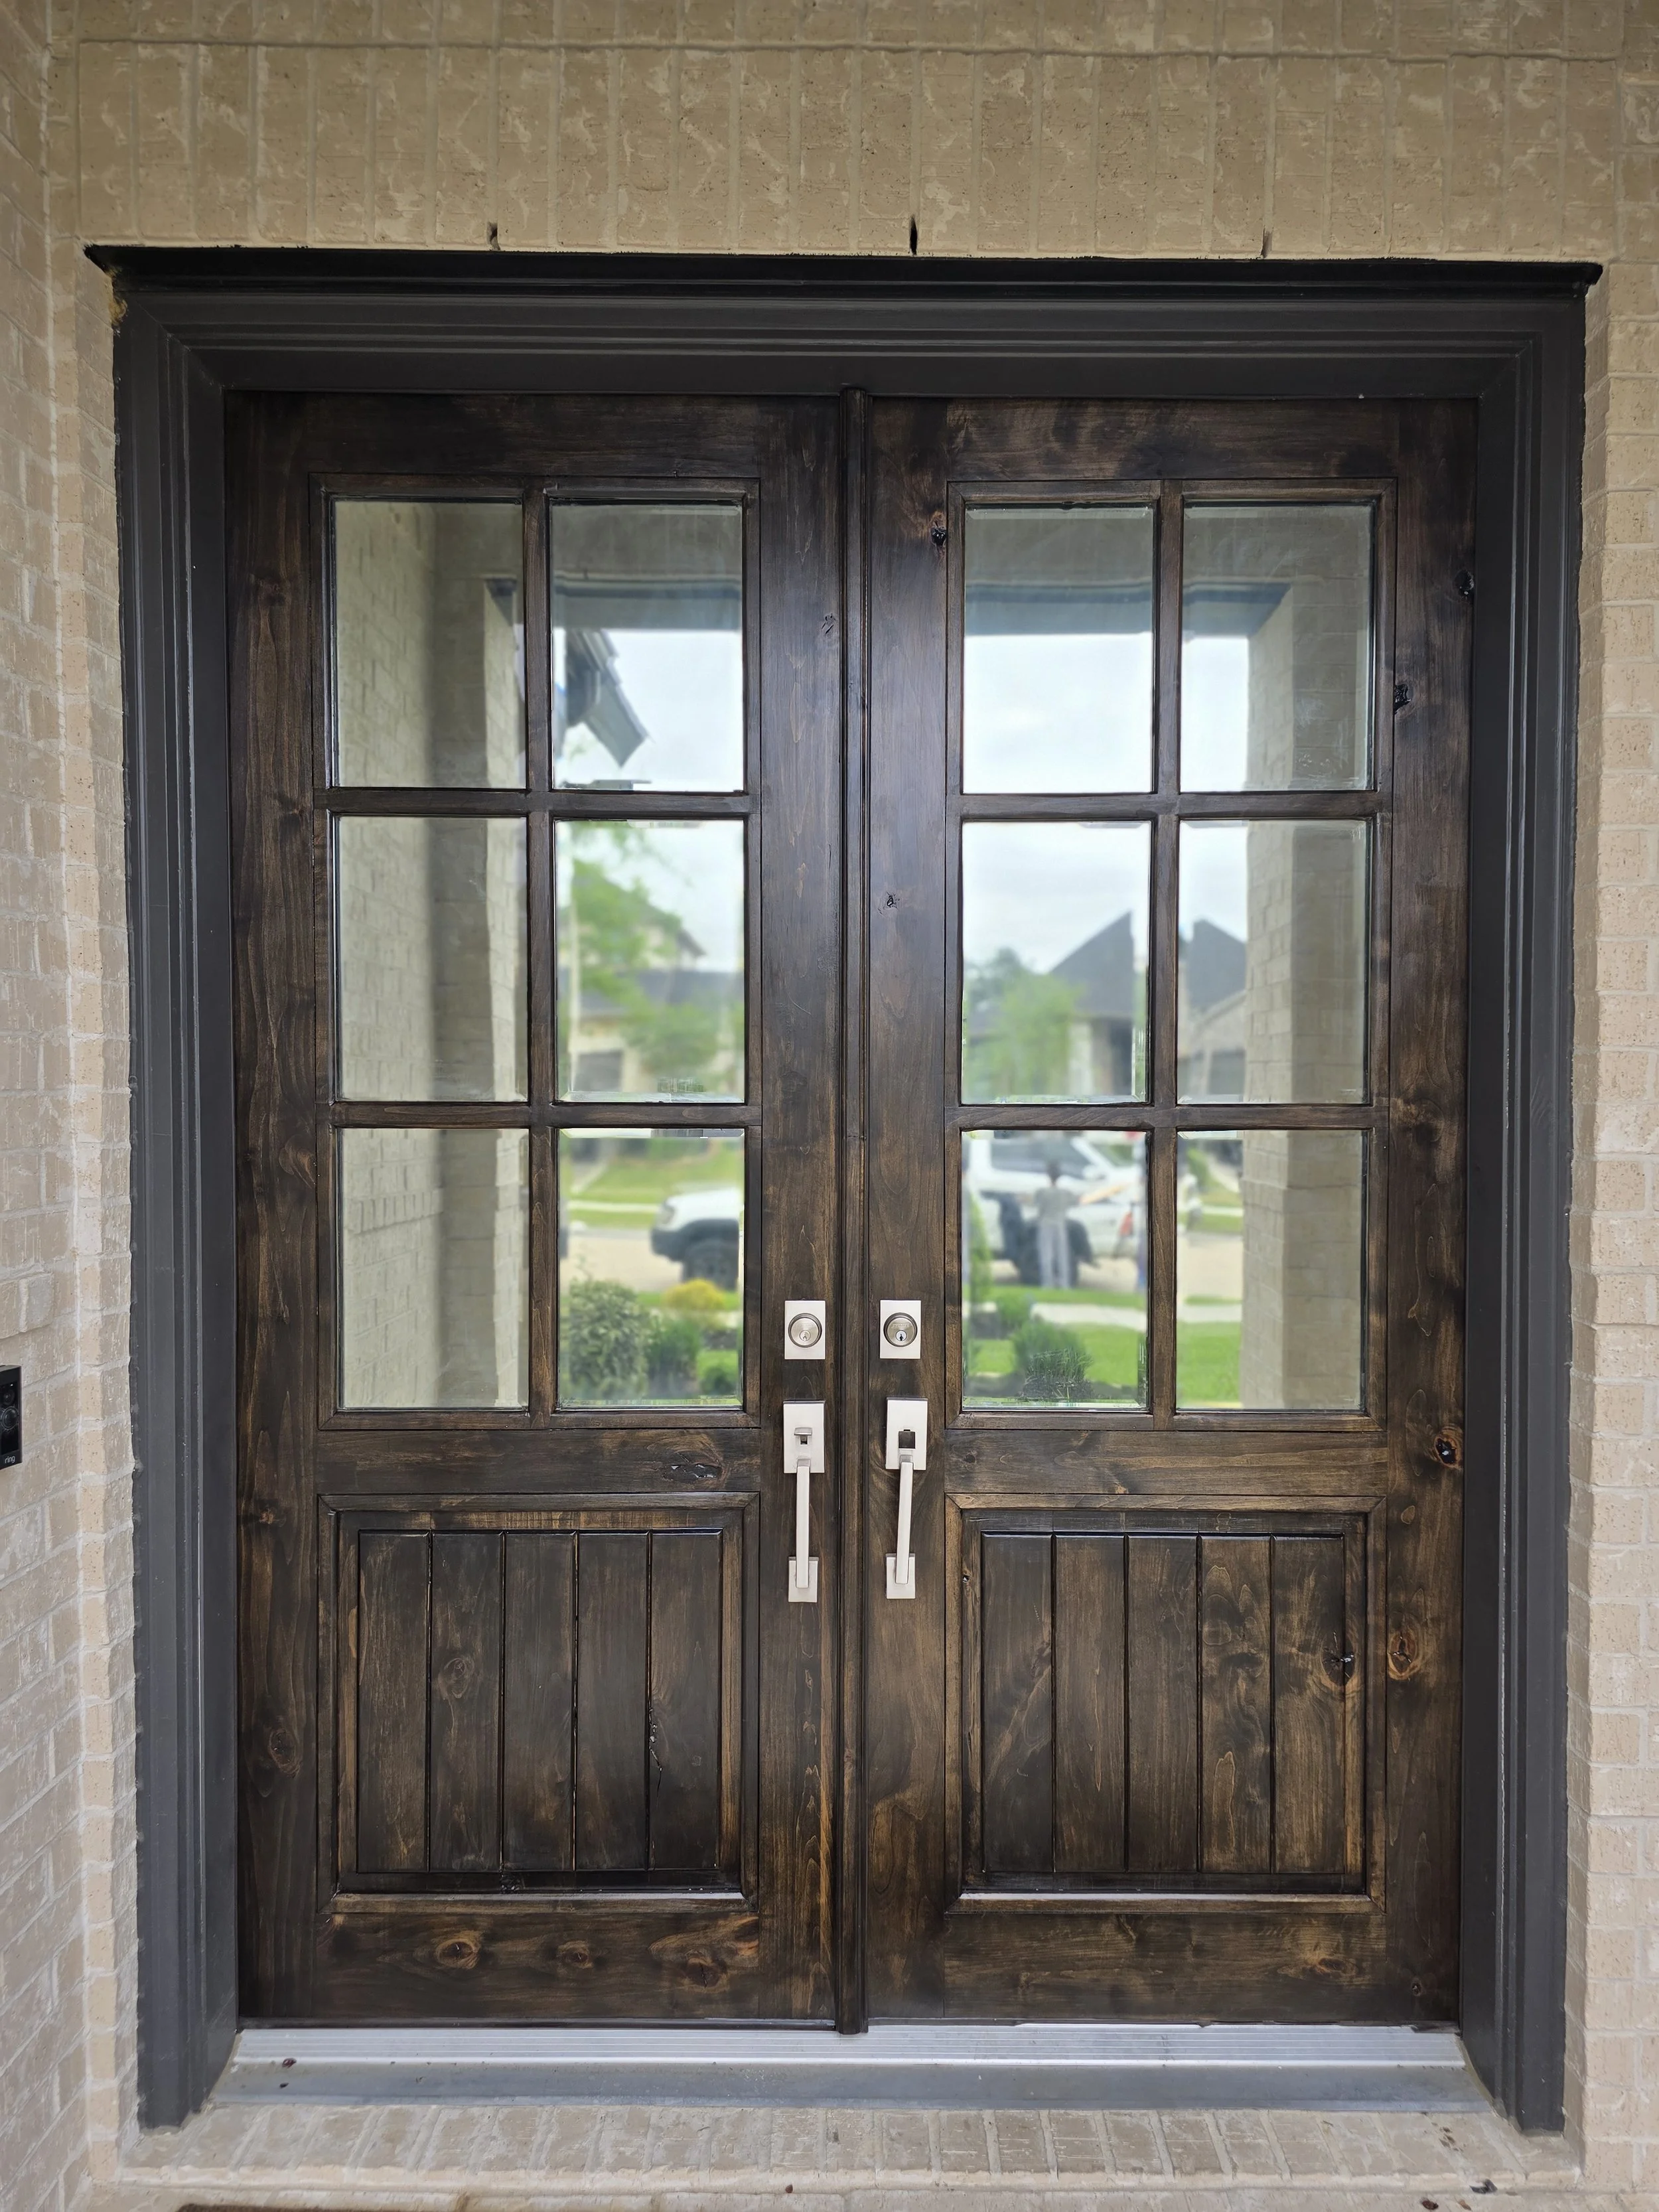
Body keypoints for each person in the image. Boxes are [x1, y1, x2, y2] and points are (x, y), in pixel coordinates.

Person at [1031, 1163, 1074, 1289]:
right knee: (1062, 1255)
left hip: (1045, 1224)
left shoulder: (1042, 1192)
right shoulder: (1066, 1193)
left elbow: (1037, 1205)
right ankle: (1064, 1283)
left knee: (1046, 1255)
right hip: (1060, 1224)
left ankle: (1047, 1283)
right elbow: (1075, 1202)